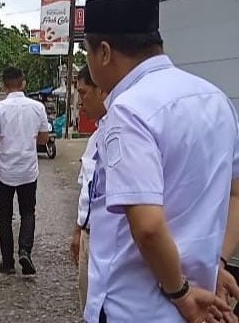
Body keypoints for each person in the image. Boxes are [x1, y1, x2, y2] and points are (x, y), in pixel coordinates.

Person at [83, 0, 239, 322]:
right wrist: (217, 263)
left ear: (105, 53)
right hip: (201, 300)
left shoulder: (129, 110)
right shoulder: (215, 100)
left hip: (134, 308)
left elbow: (149, 227)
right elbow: (236, 194)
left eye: (88, 52)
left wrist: (180, 295)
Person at [0, 67, 49, 275]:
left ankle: (7, 262)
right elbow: (44, 139)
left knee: (5, 217)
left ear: (3, 85)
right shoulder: (38, 108)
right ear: (23, 83)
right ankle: (25, 251)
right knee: (28, 212)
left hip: (4, 171)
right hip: (27, 170)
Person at [70, 64, 107, 314]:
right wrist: (78, 232)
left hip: (107, 243)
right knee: (89, 310)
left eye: (83, 94)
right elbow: (87, 190)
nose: (80, 103)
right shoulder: (95, 138)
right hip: (88, 235)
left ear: (102, 90)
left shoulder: (123, 135)